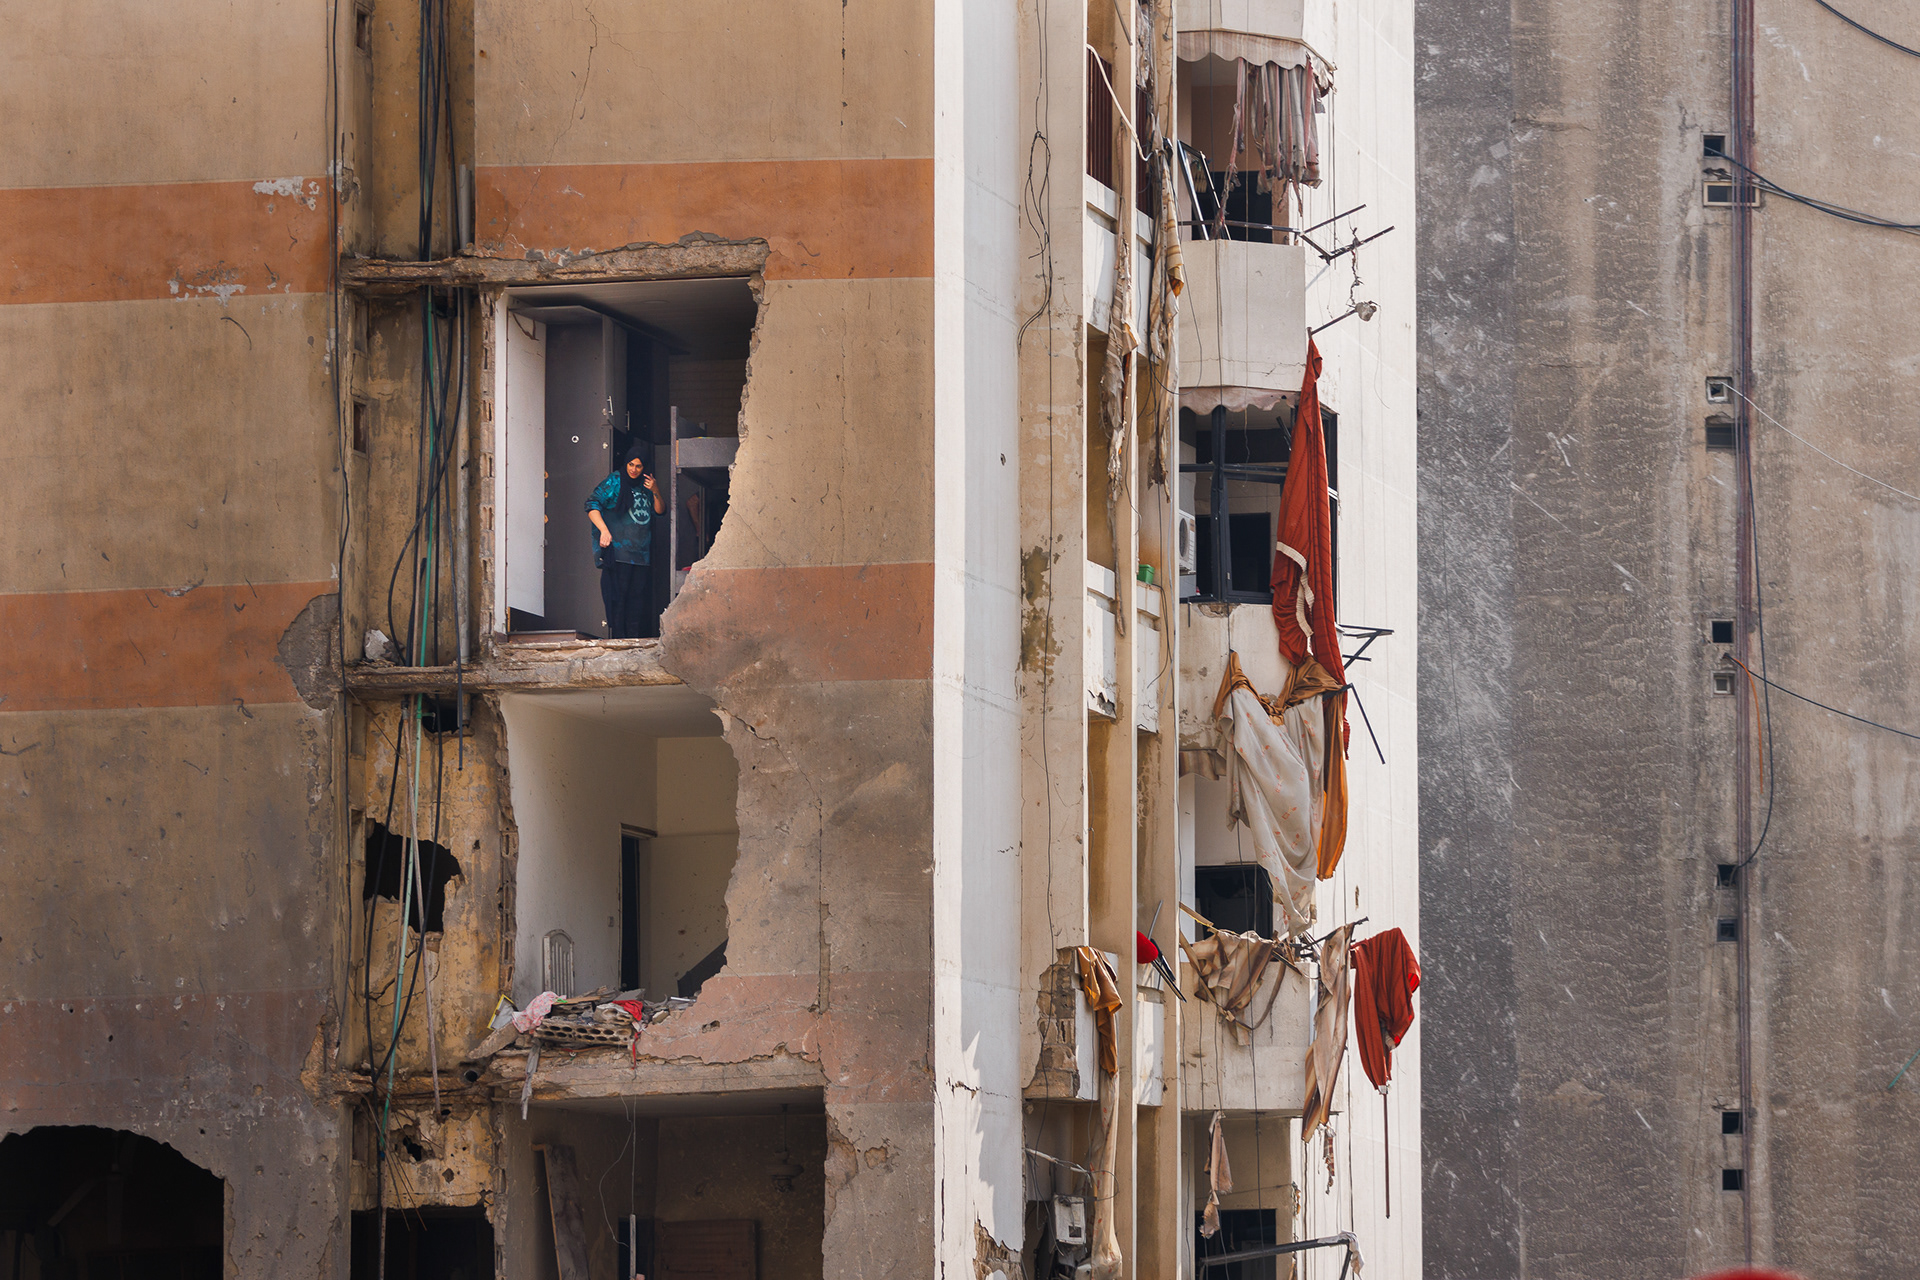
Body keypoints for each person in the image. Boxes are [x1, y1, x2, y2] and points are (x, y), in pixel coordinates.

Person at [585, 446, 665, 638]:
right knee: (618, 600)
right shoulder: (615, 480)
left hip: (641, 555)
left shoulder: (647, 485)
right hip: (619, 554)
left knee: (637, 602)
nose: (634, 469)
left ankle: (634, 641)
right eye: (631, 464)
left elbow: (660, 511)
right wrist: (604, 530)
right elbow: (592, 504)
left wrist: (655, 490)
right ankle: (619, 642)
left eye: (638, 466)